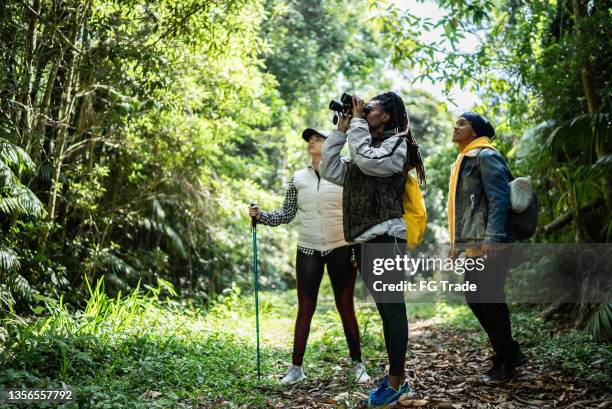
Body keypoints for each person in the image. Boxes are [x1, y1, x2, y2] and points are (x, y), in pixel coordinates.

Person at [321, 92, 426, 407]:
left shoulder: (398, 144)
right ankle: (399, 380)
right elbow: (330, 169)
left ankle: (395, 384)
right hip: (365, 240)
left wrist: (355, 127)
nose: (363, 113)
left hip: (386, 237)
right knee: (384, 310)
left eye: (369, 109)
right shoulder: (363, 143)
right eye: (362, 110)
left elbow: (369, 160)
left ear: (388, 116)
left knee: (393, 309)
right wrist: (341, 130)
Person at [249, 128, 370, 385]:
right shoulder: (298, 178)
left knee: (345, 306)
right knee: (305, 308)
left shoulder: (346, 171)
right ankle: (296, 368)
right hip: (308, 248)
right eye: (310, 140)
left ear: (332, 144)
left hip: (342, 247)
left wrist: (360, 248)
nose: (312, 143)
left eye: (318, 139)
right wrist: (261, 216)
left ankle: (358, 365)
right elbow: (287, 214)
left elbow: (358, 211)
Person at [447, 112, 527, 382]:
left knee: (489, 299)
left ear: (476, 130)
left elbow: (499, 199)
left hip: (491, 244)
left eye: (462, 123)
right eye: (456, 122)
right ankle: (509, 352)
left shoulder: (486, 156)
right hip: (474, 245)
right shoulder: (465, 159)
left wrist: (492, 237)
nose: (456, 126)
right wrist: (458, 245)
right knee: (477, 299)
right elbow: (467, 208)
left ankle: (506, 362)